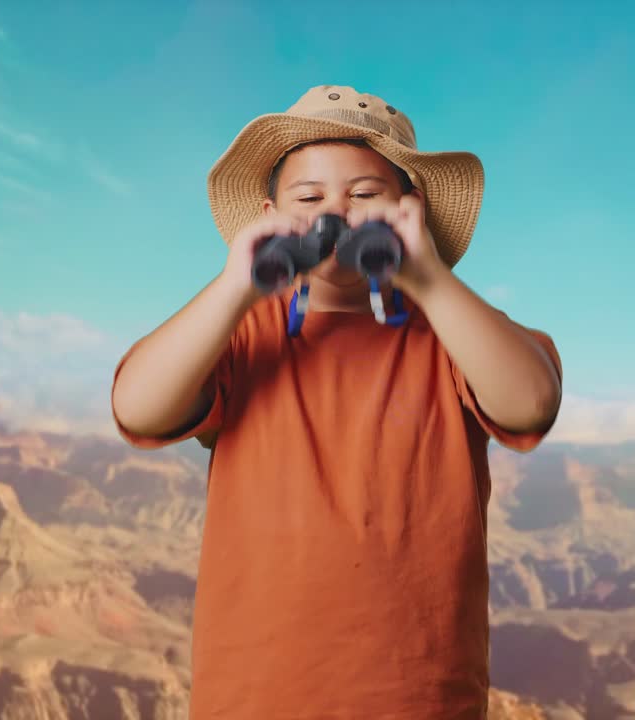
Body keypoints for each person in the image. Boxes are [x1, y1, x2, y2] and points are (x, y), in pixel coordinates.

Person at [110, 85, 563, 719]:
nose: (337, 214)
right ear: (269, 214)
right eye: (310, 199)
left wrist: (429, 280)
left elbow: (530, 403)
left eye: (365, 196)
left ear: (411, 210)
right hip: (256, 696)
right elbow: (138, 408)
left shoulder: (453, 333)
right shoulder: (242, 335)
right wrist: (237, 284)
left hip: (419, 697)